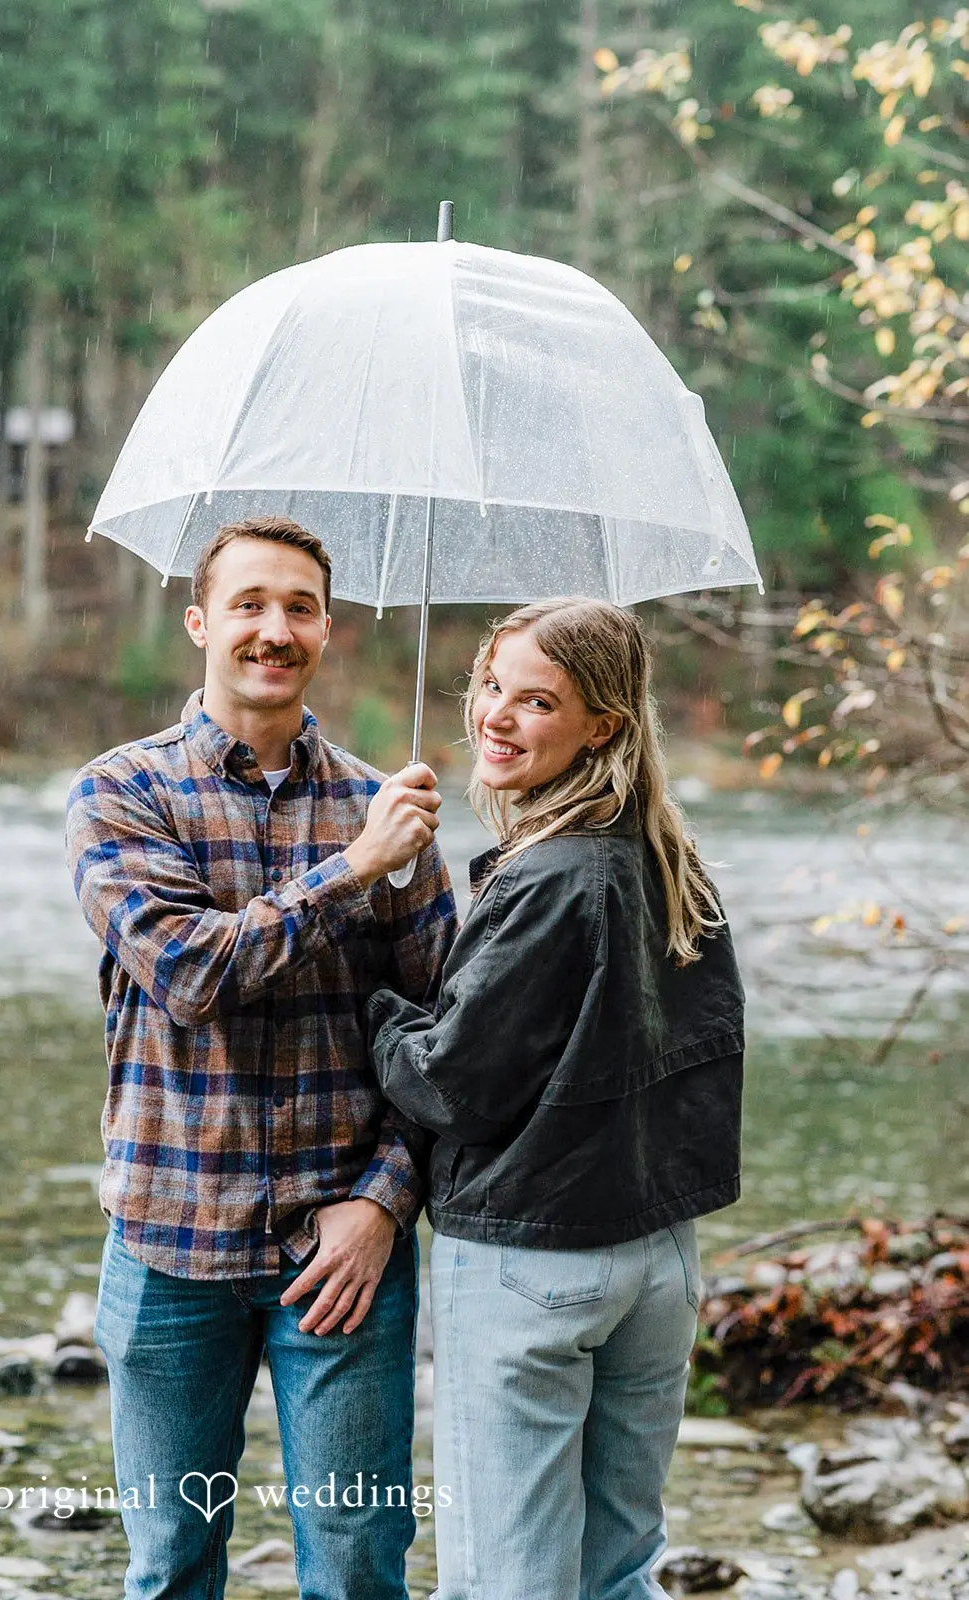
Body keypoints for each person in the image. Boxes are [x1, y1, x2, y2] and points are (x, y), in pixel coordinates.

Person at [65, 516, 457, 1600]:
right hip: (165, 1245)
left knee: (358, 1567)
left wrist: (382, 1203)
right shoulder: (118, 794)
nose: (272, 629)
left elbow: (444, 1044)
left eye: (297, 607)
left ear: (327, 629)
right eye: (248, 603)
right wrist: (353, 869)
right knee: (171, 1564)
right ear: (200, 622)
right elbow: (188, 975)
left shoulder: (389, 808)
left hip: (339, 1261)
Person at [368, 597, 745, 1600]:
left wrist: (379, 1001)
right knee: (613, 1570)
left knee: (505, 1581)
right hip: (656, 1260)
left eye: (535, 699)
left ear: (601, 727)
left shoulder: (551, 876)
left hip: (533, 1261)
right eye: (490, 684)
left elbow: (448, 1079)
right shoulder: (672, 859)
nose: (494, 713)